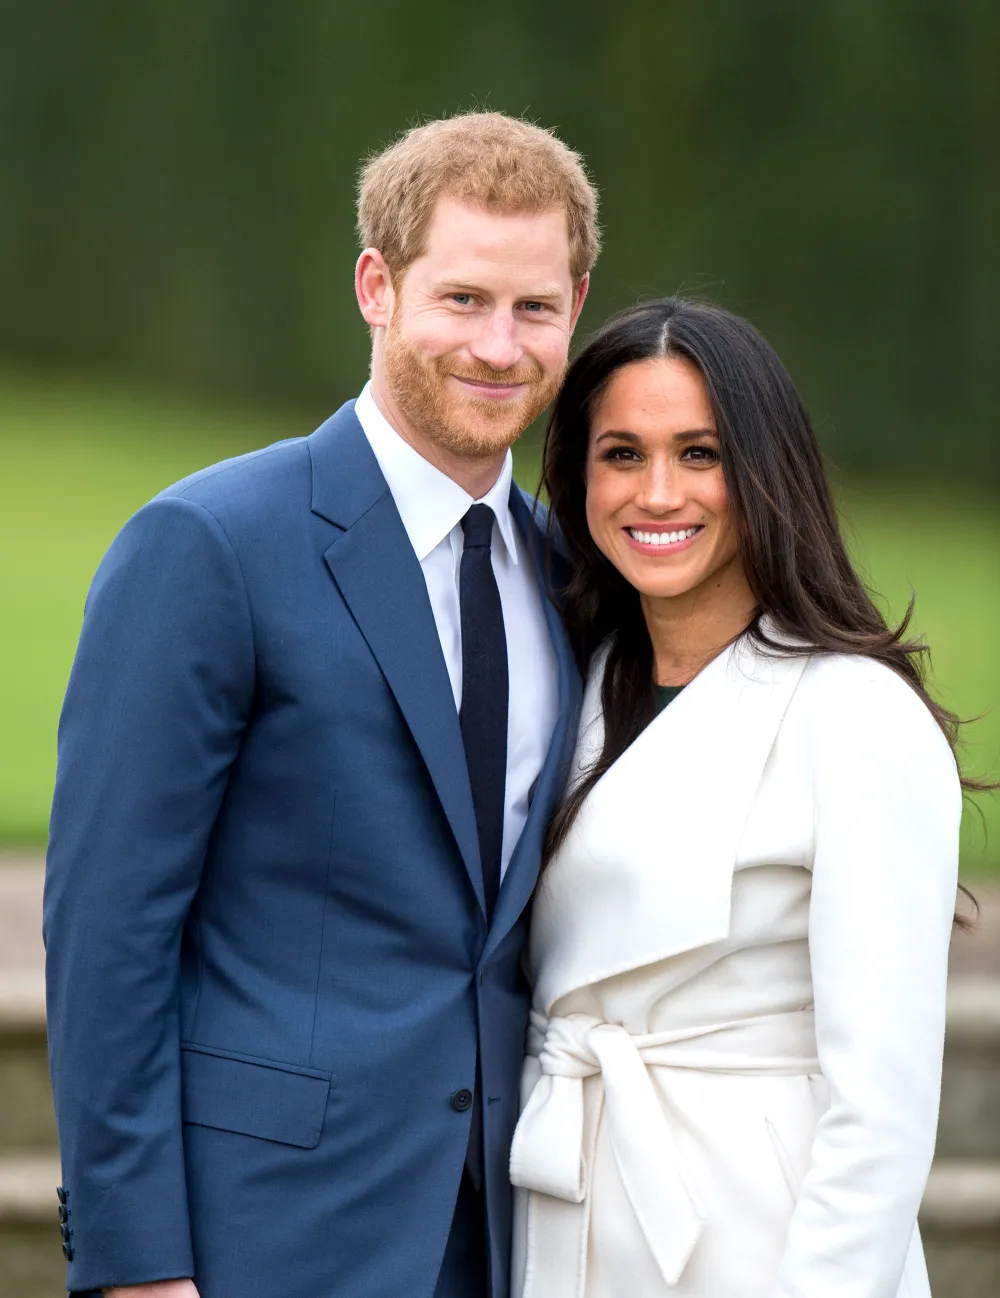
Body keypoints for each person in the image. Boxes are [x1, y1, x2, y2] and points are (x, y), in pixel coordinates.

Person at [43, 111, 598, 1298]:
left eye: (533, 308)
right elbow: (109, 931)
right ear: (376, 286)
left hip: (501, 1231)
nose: (499, 346)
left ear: (575, 306)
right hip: (265, 1236)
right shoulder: (210, 545)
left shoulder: (568, 578)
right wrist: (137, 1261)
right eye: (461, 299)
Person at [509, 298, 970, 1298]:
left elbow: (879, 1114)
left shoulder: (854, 716)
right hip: (568, 1208)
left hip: (760, 1235)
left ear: (766, 471)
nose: (657, 491)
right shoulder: (565, 682)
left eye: (700, 453)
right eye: (621, 453)